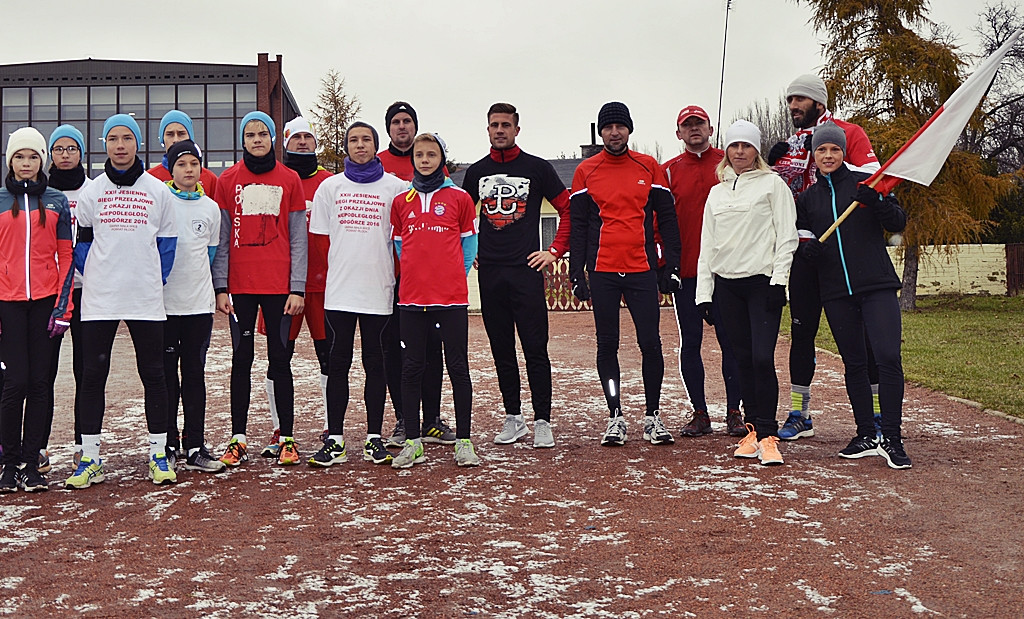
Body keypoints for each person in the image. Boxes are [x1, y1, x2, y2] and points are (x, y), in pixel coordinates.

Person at [766, 73, 882, 442]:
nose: (793, 106)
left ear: (819, 102)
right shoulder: (788, 144)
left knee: (860, 339)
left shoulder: (849, 132)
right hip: (803, 253)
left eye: (800, 99)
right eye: (789, 100)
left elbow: (872, 180)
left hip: (843, 255)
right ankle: (800, 412)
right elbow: (780, 201)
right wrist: (770, 168)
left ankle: (877, 415)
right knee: (802, 334)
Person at [66, 114, 178, 489]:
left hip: (145, 298)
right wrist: (99, 274)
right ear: (104, 145)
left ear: (137, 144)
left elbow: (167, 245)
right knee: (93, 377)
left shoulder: (157, 190)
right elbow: (81, 244)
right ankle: (91, 457)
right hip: (100, 299)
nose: (119, 145)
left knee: (155, 375)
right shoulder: (92, 192)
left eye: (127, 138)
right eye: (113, 138)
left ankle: (159, 453)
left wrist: (151, 278)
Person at [795, 123, 911, 469]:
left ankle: (891, 436)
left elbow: (898, 222)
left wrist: (876, 202)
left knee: (888, 357)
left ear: (843, 152)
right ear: (813, 156)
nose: (828, 156)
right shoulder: (807, 199)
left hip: (876, 286)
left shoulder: (867, 184)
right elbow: (801, 242)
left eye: (834, 150)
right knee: (855, 364)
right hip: (836, 292)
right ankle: (866, 433)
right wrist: (808, 252)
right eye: (821, 150)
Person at [569, 102, 682, 447]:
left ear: (629, 130)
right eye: (608, 127)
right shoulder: (586, 170)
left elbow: (668, 221)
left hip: (641, 270)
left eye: (620, 126)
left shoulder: (648, 166)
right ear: (600, 132)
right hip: (603, 270)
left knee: (650, 343)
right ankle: (615, 416)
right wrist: (577, 273)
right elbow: (577, 225)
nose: (614, 132)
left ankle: (652, 416)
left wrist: (670, 265)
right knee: (608, 345)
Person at [461, 102, 570, 448]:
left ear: (517, 129)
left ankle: (542, 420)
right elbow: (461, 218)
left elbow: (568, 208)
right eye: (494, 125)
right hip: (491, 273)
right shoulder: (476, 172)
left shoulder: (537, 168)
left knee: (535, 348)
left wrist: (553, 251)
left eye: (506, 125)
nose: (500, 130)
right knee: (501, 349)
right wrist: (471, 251)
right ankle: (513, 417)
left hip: (526, 272)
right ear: (488, 129)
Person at [696, 120, 798, 466]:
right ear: (726, 150)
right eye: (734, 146)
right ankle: (752, 431)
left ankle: (769, 436)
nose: (740, 152)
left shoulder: (773, 185)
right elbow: (707, 245)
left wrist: (778, 282)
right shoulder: (717, 192)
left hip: (762, 285)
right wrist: (704, 294)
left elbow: (787, 237)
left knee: (760, 358)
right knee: (740, 361)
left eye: (747, 146)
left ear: (756, 151)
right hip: (727, 287)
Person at [307, 121, 406, 467]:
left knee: (375, 364)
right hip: (340, 292)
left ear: (375, 145)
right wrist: (340, 270)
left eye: (366, 140)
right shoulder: (329, 188)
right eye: (353, 140)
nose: (360, 145)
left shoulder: (397, 188)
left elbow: (404, 241)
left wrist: (391, 275)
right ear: (346, 146)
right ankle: (334, 439)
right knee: (337, 363)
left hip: (379, 289)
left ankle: (374, 438)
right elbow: (320, 243)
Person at [212, 111, 307, 468]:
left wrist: (297, 288)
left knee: (280, 362)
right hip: (241, 289)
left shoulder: (290, 179)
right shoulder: (227, 180)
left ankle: (287, 437)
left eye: (262, 134)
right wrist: (221, 286)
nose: (256, 140)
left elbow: (298, 239)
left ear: (272, 139)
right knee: (242, 361)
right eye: (250, 134)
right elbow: (222, 239)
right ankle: (238, 438)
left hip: (279, 289)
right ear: (243, 140)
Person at [389, 133, 479, 469]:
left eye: (431, 154)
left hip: (451, 298)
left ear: (442, 158)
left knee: (457, 366)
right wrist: (416, 273)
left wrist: (454, 274)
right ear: (412, 159)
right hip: (412, 298)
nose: (424, 159)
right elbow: (400, 247)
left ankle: (464, 442)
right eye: (419, 154)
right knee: (412, 367)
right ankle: (413, 441)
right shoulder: (402, 201)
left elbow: (469, 245)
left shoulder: (459, 198)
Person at [661, 105, 744, 438]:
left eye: (700, 124)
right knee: (690, 342)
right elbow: (656, 222)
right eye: (687, 125)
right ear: (678, 133)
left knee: (732, 342)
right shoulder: (667, 171)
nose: (694, 129)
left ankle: (735, 413)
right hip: (687, 274)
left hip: (726, 271)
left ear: (711, 129)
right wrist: (665, 263)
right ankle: (700, 413)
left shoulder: (731, 164)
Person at [0, 127, 74, 493]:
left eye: (33, 157)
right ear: (10, 161)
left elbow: (66, 255)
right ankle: (8, 463)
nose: (26, 163)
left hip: (46, 304)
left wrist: (63, 306)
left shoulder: (57, 200)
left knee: (41, 384)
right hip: (8, 305)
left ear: (41, 161)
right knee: (14, 384)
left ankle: (33, 463)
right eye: (19, 157)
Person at [378, 101, 454, 447]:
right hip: (392, 278)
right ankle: (403, 419)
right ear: (389, 128)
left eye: (408, 121)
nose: (402, 127)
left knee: (432, 349)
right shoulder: (378, 163)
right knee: (397, 351)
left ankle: (433, 418)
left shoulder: (436, 165)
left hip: (432, 284)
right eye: (396, 122)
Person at [257, 116, 334, 458]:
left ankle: (333, 427)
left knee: (329, 357)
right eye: (296, 137)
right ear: (284, 142)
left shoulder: (331, 183)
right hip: (281, 287)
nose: (302, 142)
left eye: (308, 137)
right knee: (279, 357)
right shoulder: (276, 181)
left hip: (324, 286)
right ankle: (279, 428)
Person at [160, 139, 225, 473]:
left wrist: (217, 291)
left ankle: (195, 445)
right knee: (166, 376)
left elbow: (212, 256)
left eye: (194, 165)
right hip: (165, 306)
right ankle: (167, 444)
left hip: (198, 306)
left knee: (194, 375)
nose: (188, 170)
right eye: (182, 164)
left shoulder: (210, 209)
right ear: (171, 168)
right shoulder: (160, 202)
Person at [43, 124, 92, 474]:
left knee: (86, 369)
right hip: (50, 293)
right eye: (58, 149)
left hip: (88, 291)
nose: (64, 154)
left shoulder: (93, 191)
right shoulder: (40, 194)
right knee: (43, 372)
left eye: (71, 148)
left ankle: (83, 444)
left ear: (81, 153)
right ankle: (39, 446)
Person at [147, 110, 218, 198]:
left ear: (190, 137)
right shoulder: (149, 178)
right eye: (170, 134)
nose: (176, 140)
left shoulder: (210, 179)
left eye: (181, 134)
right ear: (162, 139)